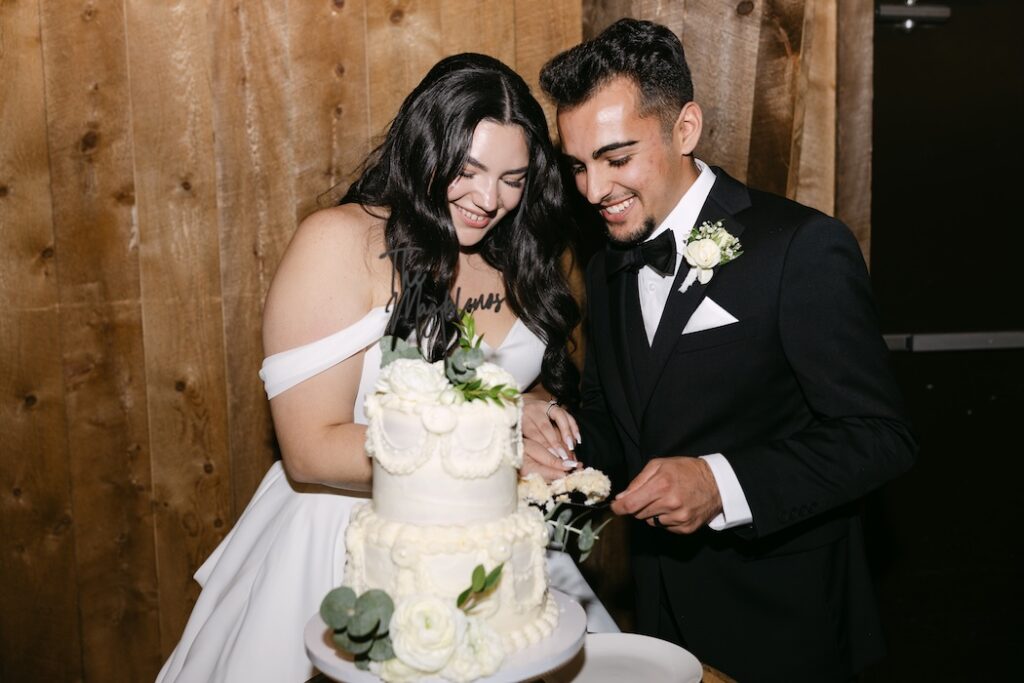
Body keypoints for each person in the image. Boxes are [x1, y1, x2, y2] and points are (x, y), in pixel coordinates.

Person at [157, 52, 615, 683]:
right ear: (425, 145)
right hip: (346, 540)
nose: (490, 199)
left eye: (514, 178)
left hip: (483, 544)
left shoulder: (519, 254)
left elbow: (509, 376)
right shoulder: (340, 243)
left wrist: (533, 406)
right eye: (469, 169)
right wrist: (501, 440)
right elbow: (310, 450)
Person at [535, 19, 918, 682]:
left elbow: (880, 436)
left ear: (685, 128)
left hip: (784, 618)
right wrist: (558, 445)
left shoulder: (801, 248)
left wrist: (722, 483)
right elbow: (615, 412)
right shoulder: (606, 265)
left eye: (617, 158)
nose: (593, 191)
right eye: (578, 166)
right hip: (659, 612)